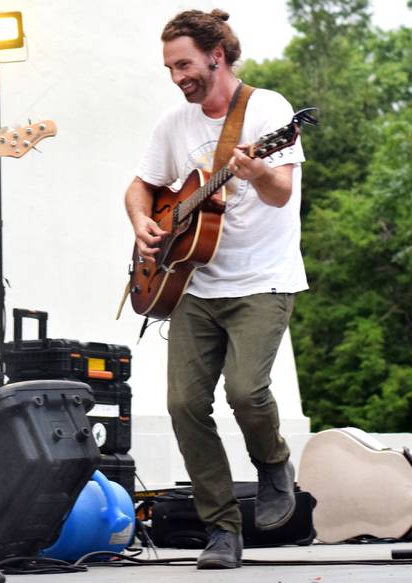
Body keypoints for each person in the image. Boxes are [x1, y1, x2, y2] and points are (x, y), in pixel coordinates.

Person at [124, 9, 306, 569]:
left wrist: (256, 172)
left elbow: (280, 194)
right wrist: (143, 224)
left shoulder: (268, 110)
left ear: (216, 56)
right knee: (183, 404)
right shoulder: (172, 124)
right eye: (169, 67)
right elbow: (140, 187)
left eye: (184, 64)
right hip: (194, 283)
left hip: (263, 280)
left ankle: (273, 463)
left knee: (246, 392)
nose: (177, 76)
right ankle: (221, 530)